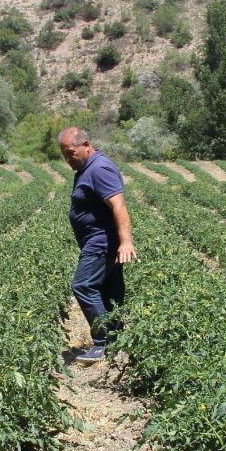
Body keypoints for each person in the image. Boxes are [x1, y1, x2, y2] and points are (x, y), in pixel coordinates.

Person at [58, 127, 135, 362]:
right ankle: (117, 343)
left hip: (101, 242)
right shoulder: (87, 167)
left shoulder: (99, 168)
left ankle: (103, 341)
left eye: (71, 153)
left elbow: (119, 205)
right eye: (64, 155)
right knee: (109, 291)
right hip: (101, 241)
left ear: (86, 145)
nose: (68, 159)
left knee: (83, 285)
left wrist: (125, 242)